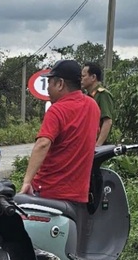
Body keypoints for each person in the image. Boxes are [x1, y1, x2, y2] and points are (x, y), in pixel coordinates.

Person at [20, 60, 99, 203]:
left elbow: (43, 144)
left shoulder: (57, 110)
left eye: (50, 82)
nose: (48, 88)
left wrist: (27, 181)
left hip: (49, 192)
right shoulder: (93, 106)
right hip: (80, 196)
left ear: (60, 84)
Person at [81, 62, 115, 146]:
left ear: (93, 77)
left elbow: (107, 121)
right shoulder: (87, 96)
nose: (81, 79)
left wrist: (98, 146)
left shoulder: (103, 95)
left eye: (83, 76)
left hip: (98, 144)